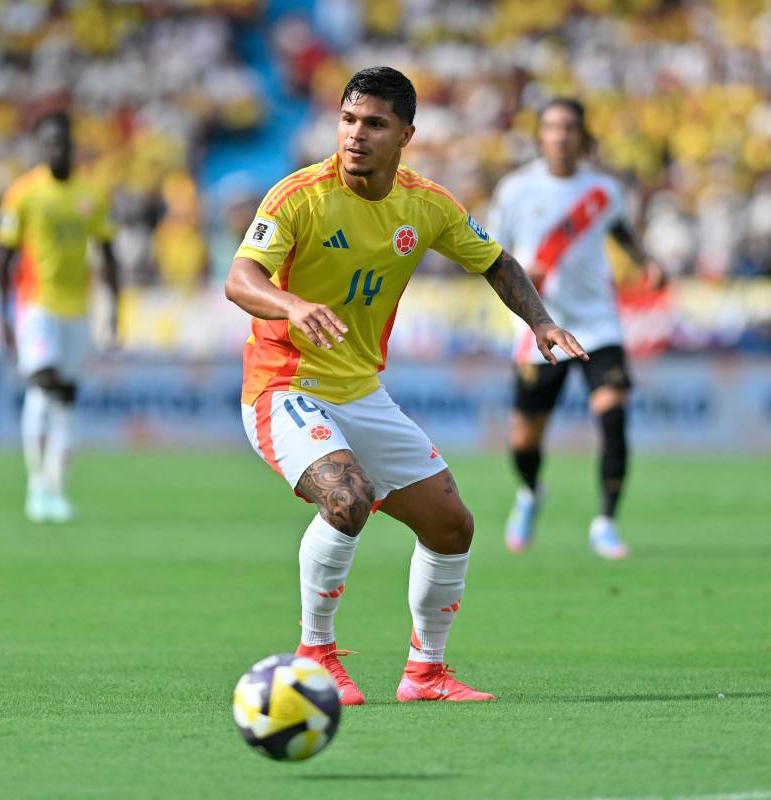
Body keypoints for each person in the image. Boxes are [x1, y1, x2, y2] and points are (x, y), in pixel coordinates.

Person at [225, 67, 587, 705]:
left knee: (452, 526)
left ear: (406, 135)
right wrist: (289, 304)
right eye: (347, 120)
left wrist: (542, 323)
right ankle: (316, 657)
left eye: (373, 124)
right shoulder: (296, 196)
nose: (355, 136)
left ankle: (425, 673)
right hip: (284, 385)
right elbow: (240, 280)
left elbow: (496, 261)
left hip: (360, 390)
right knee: (347, 497)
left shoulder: (426, 205)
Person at [487, 98, 665, 560]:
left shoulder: (603, 189)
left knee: (613, 413)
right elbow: (489, 254)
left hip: (597, 323)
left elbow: (621, 231)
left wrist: (647, 262)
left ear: (582, 136)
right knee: (524, 440)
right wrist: (525, 280)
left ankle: (605, 522)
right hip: (540, 325)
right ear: (540, 135)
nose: (560, 135)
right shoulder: (514, 190)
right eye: (551, 126)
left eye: (568, 127)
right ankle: (530, 494)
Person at [0, 110, 120, 523]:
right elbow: (4, 256)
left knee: (65, 398)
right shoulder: (24, 193)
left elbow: (107, 252)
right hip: (36, 303)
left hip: (77, 308)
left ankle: (55, 489)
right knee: (41, 383)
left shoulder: (91, 193)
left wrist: (114, 309)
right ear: (41, 147)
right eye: (49, 143)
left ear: (72, 146)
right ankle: (35, 486)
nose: (56, 149)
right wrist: (6, 317)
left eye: (62, 143)